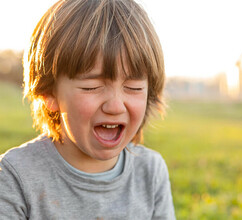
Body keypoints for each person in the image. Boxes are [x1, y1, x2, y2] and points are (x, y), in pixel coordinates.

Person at [0, 0, 176, 219]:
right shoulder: (16, 176)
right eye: (91, 87)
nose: (114, 106)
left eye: (133, 88)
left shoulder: (150, 172)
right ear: (49, 93)